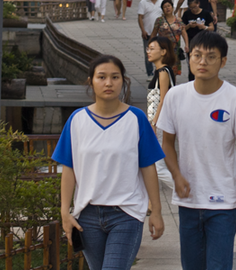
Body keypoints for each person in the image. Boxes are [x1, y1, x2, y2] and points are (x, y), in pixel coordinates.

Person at [52, 55, 164, 270]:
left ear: (123, 81)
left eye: (115, 77)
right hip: (88, 217)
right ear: (91, 81)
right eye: (101, 77)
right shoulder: (77, 120)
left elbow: (148, 167)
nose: (108, 83)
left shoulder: (136, 118)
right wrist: (65, 213)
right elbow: (69, 169)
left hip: (126, 214)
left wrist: (156, 211)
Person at [156, 32, 236, 270]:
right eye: (197, 55)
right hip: (189, 202)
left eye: (211, 57)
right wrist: (176, 175)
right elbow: (167, 143)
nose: (203, 62)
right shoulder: (175, 96)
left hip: (224, 203)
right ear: (189, 58)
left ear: (223, 61)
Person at [147, 37, 178, 187]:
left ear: (164, 51)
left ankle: (184, 191)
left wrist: (154, 123)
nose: (148, 52)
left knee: (158, 167)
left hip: (159, 122)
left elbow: (163, 100)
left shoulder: (163, 72)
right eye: (148, 48)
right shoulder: (161, 71)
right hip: (158, 121)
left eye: (152, 49)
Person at [151, 0, 189, 79]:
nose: (167, 8)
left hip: (175, 50)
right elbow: (153, 34)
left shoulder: (178, 21)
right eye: (165, 7)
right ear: (162, 9)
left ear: (172, 8)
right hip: (163, 50)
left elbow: (184, 33)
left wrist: (187, 45)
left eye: (169, 6)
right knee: (163, 70)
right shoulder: (159, 21)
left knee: (173, 72)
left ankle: (172, 88)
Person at [139, 0, 165, 79]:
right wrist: (143, 30)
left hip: (160, 33)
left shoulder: (161, 1)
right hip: (148, 32)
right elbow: (140, 17)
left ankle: (159, 71)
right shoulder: (143, 2)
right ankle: (150, 73)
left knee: (161, 53)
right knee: (148, 53)